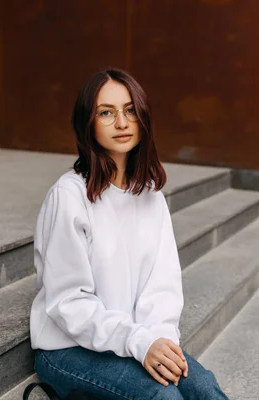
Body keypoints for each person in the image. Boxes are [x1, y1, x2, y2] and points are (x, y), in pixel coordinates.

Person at [30, 68, 229, 399]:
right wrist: (138, 342)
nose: (121, 123)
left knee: (205, 389)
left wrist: (158, 342)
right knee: (162, 397)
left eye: (130, 110)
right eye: (106, 113)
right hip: (67, 349)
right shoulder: (69, 196)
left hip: (131, 342)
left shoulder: (150, 196)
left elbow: (162, 288)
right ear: (88, 124)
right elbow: (68, 303)